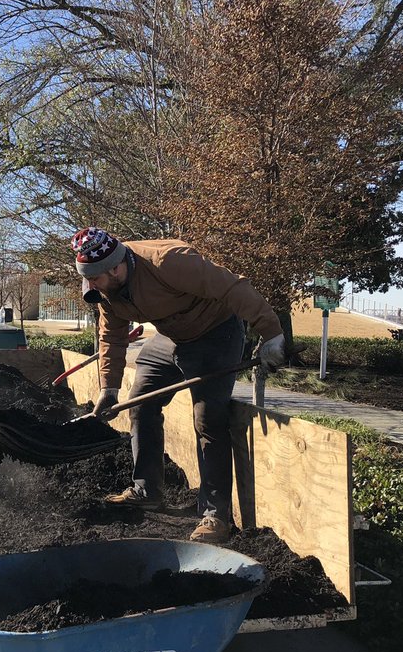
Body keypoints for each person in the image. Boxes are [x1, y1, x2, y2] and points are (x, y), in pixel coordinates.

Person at [72, 227, 285, 543]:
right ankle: (146, 489)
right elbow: (112, 336)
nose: (92, 287)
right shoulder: (105, 291)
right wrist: (109, 388)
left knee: (208, 418)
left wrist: (272, 333)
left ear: (115, 268)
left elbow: (232, 286)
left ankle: (215, 515)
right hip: (171, 337)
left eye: (95, 279)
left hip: (215, 332)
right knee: (140, 401)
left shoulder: (168, 261)